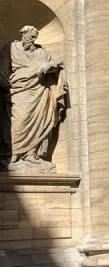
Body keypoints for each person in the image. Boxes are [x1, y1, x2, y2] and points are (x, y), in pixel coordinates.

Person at [0, 25, 68, 170]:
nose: (33, 40)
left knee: (40, 121)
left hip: (40, 91)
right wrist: (4, 79)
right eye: (31, 37)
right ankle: (12, 154)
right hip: (18, 89)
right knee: (18, 119)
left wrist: (51, 66)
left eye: (35, 37)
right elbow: (3, 68)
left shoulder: (41, 52)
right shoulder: (10, 48)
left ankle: (31, 154)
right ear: (23, 35)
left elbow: (55, 65)